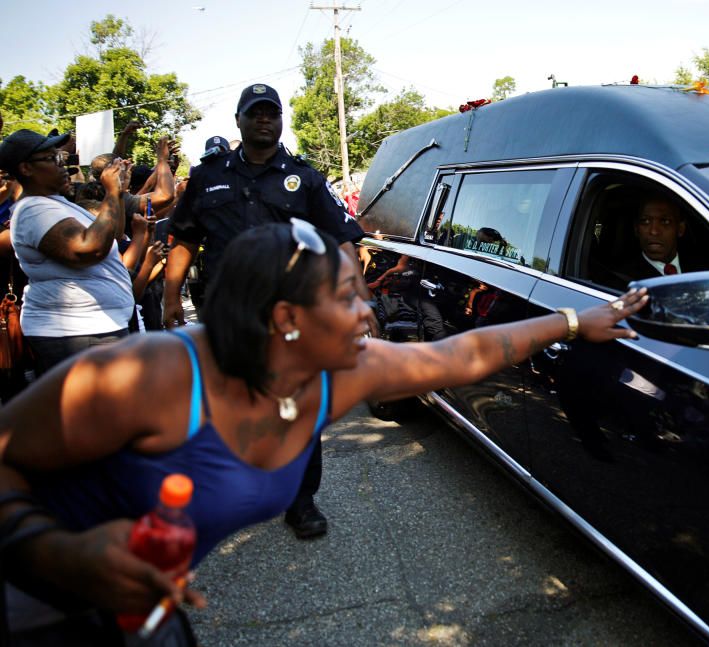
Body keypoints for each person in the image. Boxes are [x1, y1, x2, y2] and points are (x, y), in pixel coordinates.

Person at [0, 220, 647, 641]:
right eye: (348, 297)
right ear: (285, 318)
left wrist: (572, 321)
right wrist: (52, 550)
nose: (370, 311)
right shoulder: (148, 374)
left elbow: (464, 355)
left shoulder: (343, 374)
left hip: (143, 615)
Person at [162, 83, 366, 540]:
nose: (263, 120)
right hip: (227, 313)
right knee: (224, 401)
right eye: (254, 113)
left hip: (291, 316)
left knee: (299, 404)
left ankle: (300, 500)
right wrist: (170, 296)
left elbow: (343, 239)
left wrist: (355, 298)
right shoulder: (207, 175)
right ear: (238, 120)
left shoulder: (305, 178)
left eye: (271, 112)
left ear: (280, 120)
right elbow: (185, 238)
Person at [0, 129, 134, 375]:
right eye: (52, 159)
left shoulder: (53, 204)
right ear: (26, 169)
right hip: (77, 333)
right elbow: (89, 249)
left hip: (91, 330)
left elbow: (110, 235)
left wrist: (118, 194)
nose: (62, 165)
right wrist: (112, 193)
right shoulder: (34, 210)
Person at [620, 194, 687, 279]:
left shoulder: (702, 270)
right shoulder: (623, 280)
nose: (654, 231)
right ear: (636, 229)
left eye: (665, 221)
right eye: (645, 221)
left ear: (680, 229)